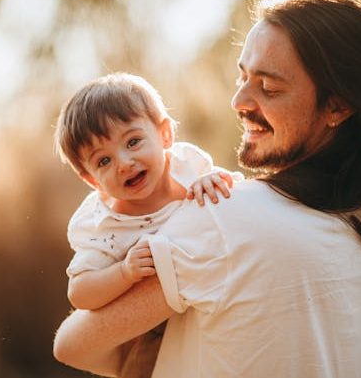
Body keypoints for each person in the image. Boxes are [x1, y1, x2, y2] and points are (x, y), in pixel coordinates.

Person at [53, 0, 361, 377]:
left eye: (268, 87)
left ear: (337, 106)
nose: (238, 100)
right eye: (242, 76)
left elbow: (71, 345)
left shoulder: (226, 217)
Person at [54, 72, 238, 377]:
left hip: (209, 312)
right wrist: (124, 272)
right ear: (90, 180)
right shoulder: (108, 227)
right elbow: (80, 292)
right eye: (103, 161)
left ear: (165, 134)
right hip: (149, 333)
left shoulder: (191, 170)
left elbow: (232, 203)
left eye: (133, 141)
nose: (124, 162)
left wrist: (214, 179)